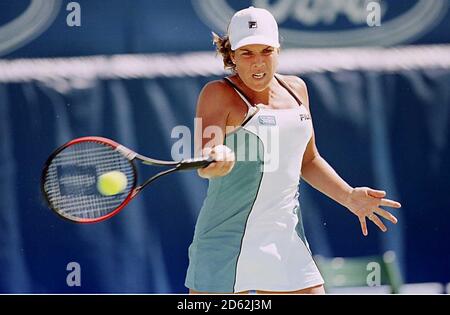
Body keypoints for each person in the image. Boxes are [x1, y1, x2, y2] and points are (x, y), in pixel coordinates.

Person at [185, 6, 401, 294]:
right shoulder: (218, 93)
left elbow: (309, 160)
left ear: (277, 50)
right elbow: (207, 154)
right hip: (225, 242)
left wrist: (348, 196)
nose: (258, 62)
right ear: (232, 56)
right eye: (247, 53)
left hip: (284, 239)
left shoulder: (296, 89)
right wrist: (216, 159)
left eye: (266, 50)